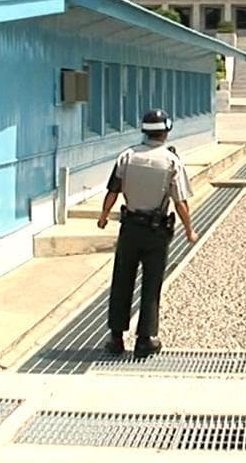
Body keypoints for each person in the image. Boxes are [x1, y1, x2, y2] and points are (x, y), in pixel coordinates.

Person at [98, 109, 199, 358]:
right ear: (166, 132)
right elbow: (180, 202)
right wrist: (189, 230)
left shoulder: (127, 156)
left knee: (122, 280)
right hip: (156, 230)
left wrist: (104, 216)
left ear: (144, 130)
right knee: (152, 284)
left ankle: (116, 337)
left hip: (130, 227)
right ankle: (145, 339)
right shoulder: (171, 161)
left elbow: (113, 190)